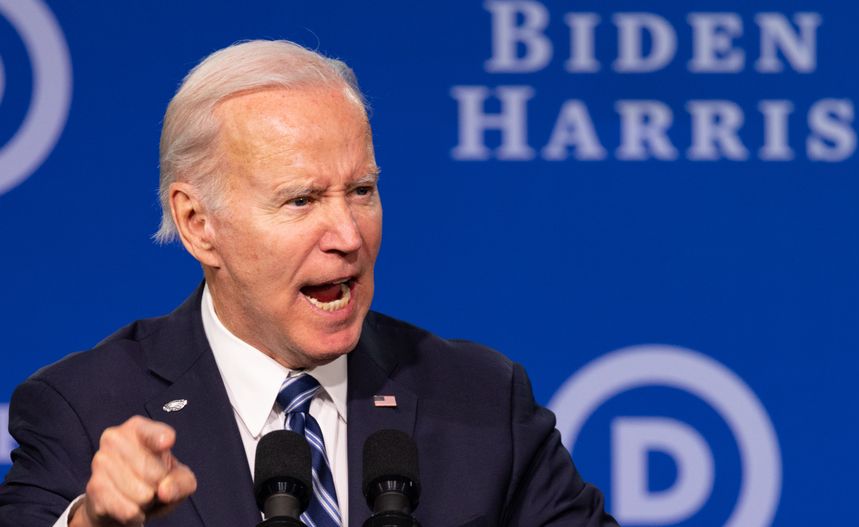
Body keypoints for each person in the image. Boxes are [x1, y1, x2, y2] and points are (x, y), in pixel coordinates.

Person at [0, 40, 617, 527]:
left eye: (362, 191)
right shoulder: (83, 409)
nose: (348, 234)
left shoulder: (482, 400)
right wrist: (90, 523)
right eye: (301, 200)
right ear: (198, 224)